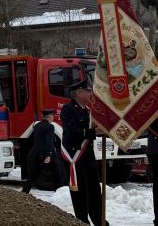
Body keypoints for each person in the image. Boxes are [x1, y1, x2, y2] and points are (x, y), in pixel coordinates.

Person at [60, 83, 109, 226]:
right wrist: (94, 132)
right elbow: (72, 132)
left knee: (95, 192)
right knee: (81, 194)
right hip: (75, 157)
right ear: (79, 93)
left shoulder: (88, 111)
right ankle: (82, 222)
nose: (91, 95)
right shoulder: (68, 109)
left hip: (88, 157)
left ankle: (99, 221)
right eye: (89, 92)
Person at [22, 109, 62, 193]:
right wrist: (49, 155)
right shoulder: (50, 127)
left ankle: (25, 192)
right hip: (46, 154)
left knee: (34, 175)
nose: (53, 117)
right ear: (50, 117)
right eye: (52, 116)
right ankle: (60, 193)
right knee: (58, 174)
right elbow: (49, 142)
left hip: (36, 153)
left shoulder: (37, 125)